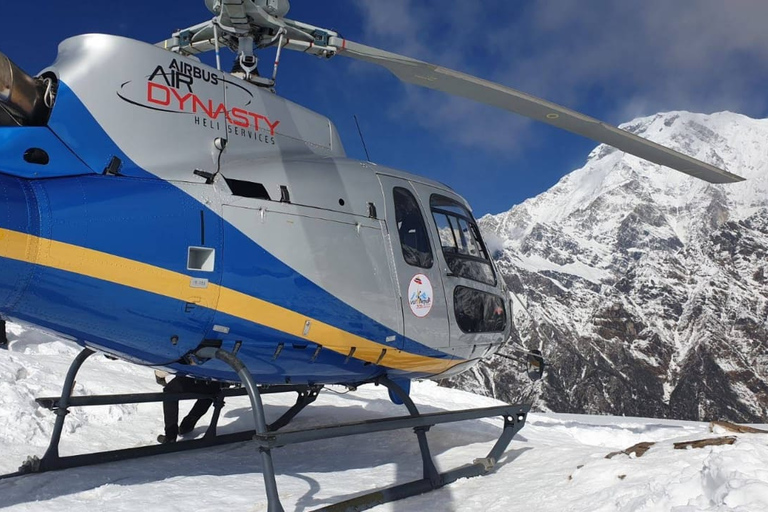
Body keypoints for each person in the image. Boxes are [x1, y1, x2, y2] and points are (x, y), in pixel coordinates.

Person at [157, 374, 224, 444]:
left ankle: (170, 436)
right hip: (216, 382)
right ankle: (187, 425)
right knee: (211, 392)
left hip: (197, 377)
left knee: (170, 390)